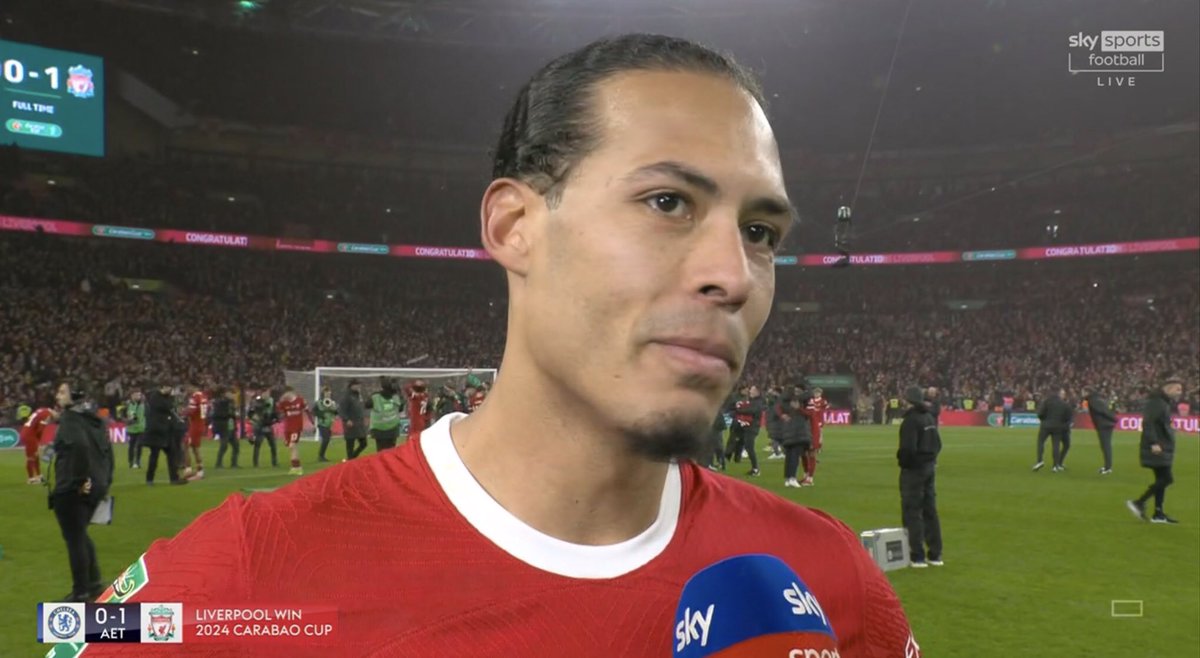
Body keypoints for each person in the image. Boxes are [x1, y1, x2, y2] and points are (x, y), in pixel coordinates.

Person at [82, 34, 916, 656]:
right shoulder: (241, 578)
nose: (733, 275)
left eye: (762, 231)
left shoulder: (831, 578)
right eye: (667, 202)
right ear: (515, 227)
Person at [47, 380, 114, 601]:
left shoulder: (70, 420)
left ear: (74, 395)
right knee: (81, 535)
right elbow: (107, 453)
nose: (57, 395)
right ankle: (94, 584)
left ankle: (81, 591)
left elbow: (79, 447)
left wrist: (78, 481)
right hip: (96, 486)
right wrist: (102, 481)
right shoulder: (94, 420)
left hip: (72, 488)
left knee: (74, 539)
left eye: (62, 391)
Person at [1126, 376, 1184, 524]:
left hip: (1163, 445)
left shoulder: (1161, 402)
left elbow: (1157, 423)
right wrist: (1153, 443)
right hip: (1158, 446)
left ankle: (1158, 514)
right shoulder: (1157, 403)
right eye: (1178, 389)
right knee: (1166, 479)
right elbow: (1149, 423)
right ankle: (1139, 502)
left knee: (1161, 479)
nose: (1180, 392)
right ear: (1168, 388)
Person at [897, 386, 943, 568]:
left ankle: (917, 555)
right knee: (930, 510)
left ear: (908, 400)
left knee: (912, 511)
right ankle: (935, 554)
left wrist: (903, 462)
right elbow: (938, 444)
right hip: (929, 467)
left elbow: (907, 449)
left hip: (914, 471)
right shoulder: (929, 417)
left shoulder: (910, 420)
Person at [143, 383, 186, 486]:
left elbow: (171, 407)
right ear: (162, 388)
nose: (170, 390)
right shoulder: (155, 397)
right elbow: (167, 407)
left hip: (166, 432)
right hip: (156, 432)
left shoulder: (166, 398)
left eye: (171, 388)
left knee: (172, 455)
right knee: (154, 456)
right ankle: (149, 479)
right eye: (168, 387)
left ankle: (174, 479)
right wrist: (171, 398)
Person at [1033, 386, 1073, 472]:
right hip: (1058, 427)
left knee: (1041, 442)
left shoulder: (1046, 401)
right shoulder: (1064, 404)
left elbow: (1040, 414)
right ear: (1059, 393)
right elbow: (1068, 417)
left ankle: (1040, 461)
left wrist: (1044, 421)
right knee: (1056, 445)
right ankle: (1055, 466)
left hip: (1045, 426)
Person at [276, 386, 313, 475]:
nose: (284, 396)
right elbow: (279, 414)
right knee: (290, 447)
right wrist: (279, 405)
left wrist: (312, 423)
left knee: (293, 446)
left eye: (284, 394)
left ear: (290, 392)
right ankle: (295, 467)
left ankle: (297, 467)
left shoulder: (300, 400)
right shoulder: (284, 403)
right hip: (287, 428)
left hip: (296, 428)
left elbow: (307, 411)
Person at [781, 394, 813, 488]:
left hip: (790, 438)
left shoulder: (789, 412)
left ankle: (788, 479)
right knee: (793, 458)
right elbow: (809, 416)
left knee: (790, 458)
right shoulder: (799, 412)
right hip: (796, 438)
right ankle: (792, 478)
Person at [1084, 385, 1116, 474]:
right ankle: (1107, 466)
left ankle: (1108, 468)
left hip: (1104, 425)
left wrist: (1113, 418)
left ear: (1088, 392)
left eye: (1084, 392)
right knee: (1105, 446)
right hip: (1105, 424)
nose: (1082, 394)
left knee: (1106, 446)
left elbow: (1103, 411)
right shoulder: (1097, 399)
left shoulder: (1093, 401)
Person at [21, 404, 57, 484]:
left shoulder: (42, 409)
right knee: (31, 457)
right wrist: (38, 440)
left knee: (35, 455)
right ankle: (31, 479)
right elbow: (40, 429)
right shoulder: (48, 415)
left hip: (26, 431)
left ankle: (39, 475)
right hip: (30, 435)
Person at [365, 376, 404, 451]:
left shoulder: (375, 396)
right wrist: (399, 391)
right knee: (391, 450)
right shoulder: (396, 397)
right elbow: (401, 408)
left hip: (378, 428)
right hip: (392, 427)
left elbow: (367, 405)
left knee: (380, 450)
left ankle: (381, 462)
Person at [803, 385, 830, 485]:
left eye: (818, 393)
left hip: (818, 420)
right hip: (813, 420)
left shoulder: (823, 401)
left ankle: (818, 447)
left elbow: (826, 409)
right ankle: (807, 476)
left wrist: (825, 417)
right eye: (816, 393)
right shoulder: (812, 401)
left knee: (819, 434)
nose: (817, 394)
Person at [182, 383, 209, 479]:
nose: (187, 390)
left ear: (193, 387)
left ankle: (188, 469)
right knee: (195, 448)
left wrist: (182, 412)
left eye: (188, 387)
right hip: (201, 423)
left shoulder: (195, 396)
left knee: (185, 445)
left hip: (195, 424)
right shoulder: (203, 396)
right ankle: (200, 471)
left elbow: (191, 411)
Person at [248, 389, 278, 468]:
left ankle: (274, 462)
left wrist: (276, 418)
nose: (266, 394)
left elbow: (274, 412)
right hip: (259, 426)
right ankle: (255, 463)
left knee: (273, 445)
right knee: (257, 445)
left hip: (268, 425)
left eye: (268, 393)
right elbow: (252, 412)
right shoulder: (258, 401)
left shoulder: (272, 401)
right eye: (265, 393)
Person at [338, 378, 367, 459]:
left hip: (359, 423)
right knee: (350, 444)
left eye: (359, 385)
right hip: (350, 423)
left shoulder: (358, 395)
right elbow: (341, 410)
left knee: (364, 443)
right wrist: (346, 420)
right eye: (357, 385)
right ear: (352, 386)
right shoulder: (346, 396)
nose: (359, 386)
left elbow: (360, 407)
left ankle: (351, 459)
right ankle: (350, 460)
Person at [212, 387, 239, 469]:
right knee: (224, 446)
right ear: (223, 394)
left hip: (231, 426)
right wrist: (229, 415)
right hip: (224, 427)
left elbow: (233, 414)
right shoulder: (219, 402)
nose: (231, 394)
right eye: (229, 393)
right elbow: (217, 415)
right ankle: (218, 463)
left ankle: (234, 463)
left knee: (236, 446)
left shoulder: (231, 402)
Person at [312, 385, 338, 462]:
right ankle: (321, 456)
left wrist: (332, 410)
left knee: (327, 440)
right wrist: (321, 415)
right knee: (326, 439)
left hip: (330, 423)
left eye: (329, 393)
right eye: (326, 393)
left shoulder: (332, 403)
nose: (328, 395)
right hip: (322, 423)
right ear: (323, 393)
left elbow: (336, 412)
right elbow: (313, 411)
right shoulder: (318, 403)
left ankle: (321, 456)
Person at [123, 387, 146, 469]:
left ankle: (138, 461)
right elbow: (121, 415)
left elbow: (147, 415)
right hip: (131, 429)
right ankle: (131, 461)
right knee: (131, 446)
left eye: (139, 395)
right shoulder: (127, 404)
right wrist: (127, 420)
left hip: (141, 428)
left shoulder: (144, 404)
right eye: (136, 395)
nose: (138, 396)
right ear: (132, 396)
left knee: (139, 445)